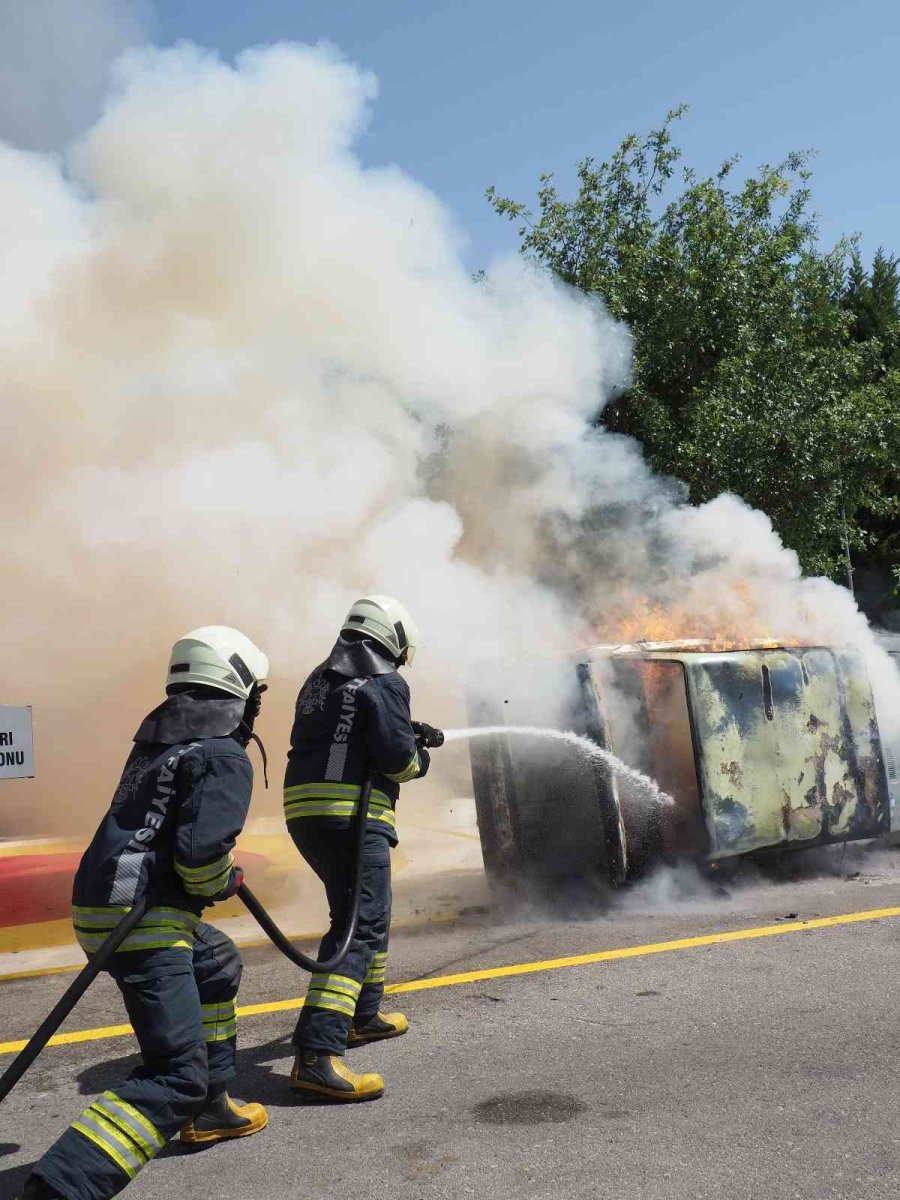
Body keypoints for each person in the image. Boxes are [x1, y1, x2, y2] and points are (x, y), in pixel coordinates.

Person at [20, 626, 270, 1200]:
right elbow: (200, 857)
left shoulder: (159, 740)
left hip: (101, 904)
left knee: (216, 963)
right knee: (174, 1076)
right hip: (144, 920)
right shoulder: (222, 753)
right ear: (238, 688)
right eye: (256, 692)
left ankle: (211, 1108)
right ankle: (60, 1189)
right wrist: (221, 880)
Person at [283, 595, 443, 1101]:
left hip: (306, 815)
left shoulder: (319, 679)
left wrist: (405, 730)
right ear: (392, 640)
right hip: (354, 817)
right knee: (359, 923)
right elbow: (398, 764)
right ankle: (317, 1054)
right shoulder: (386, 681)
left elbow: (345, 737)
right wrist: (419, 753)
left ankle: (362, 1015)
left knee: (366, 913)